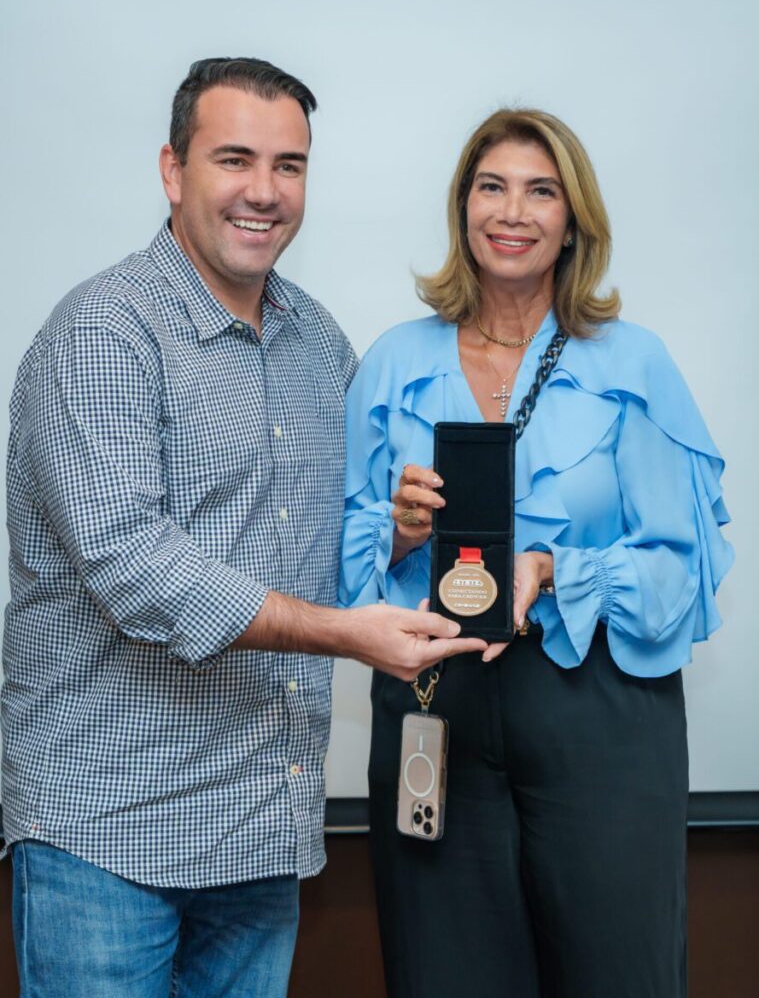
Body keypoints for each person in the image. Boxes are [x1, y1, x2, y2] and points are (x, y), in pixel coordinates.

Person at [1, 57, 493, 998]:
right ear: (172, 169)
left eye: (288, 165)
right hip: (108, 833)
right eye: (234, 159)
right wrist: (340, 633)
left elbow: (321, 537)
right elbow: (134, 565)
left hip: (259, 834)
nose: (264, 192)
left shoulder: (317, 342)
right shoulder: (102, 334)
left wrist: (395, 534)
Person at [340, 107, 734, 998]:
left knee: (617, 975)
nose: (512, 211)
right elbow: (331, 564)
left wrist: (557, 571)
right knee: (444, 976)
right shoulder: (392, 364)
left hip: (597, 707)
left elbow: (680, 576)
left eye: (539, 191)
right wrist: (399, 531)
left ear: (572, 220)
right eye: (491, 187)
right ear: (462, 207)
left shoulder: (634, 365)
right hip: (433, 702)